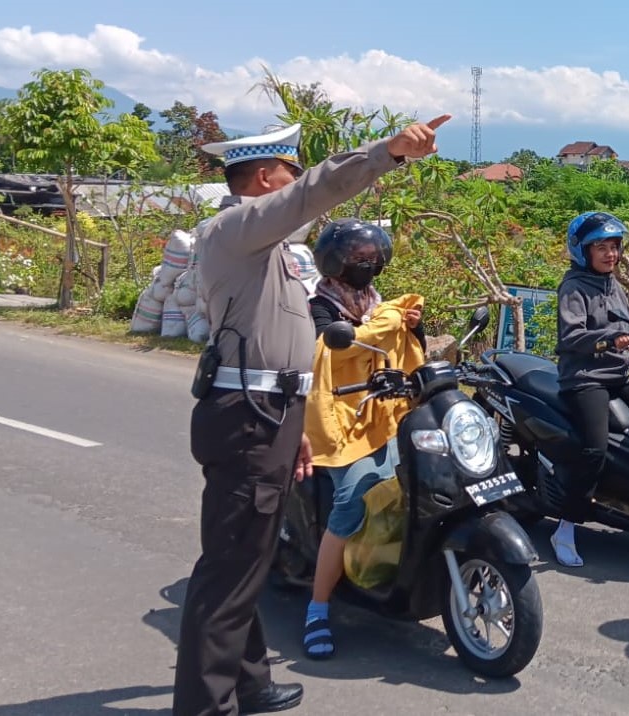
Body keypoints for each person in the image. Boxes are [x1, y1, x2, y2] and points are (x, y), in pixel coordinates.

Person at [175, 115, 449, 716]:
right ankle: (205, 705)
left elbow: (290, 349)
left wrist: (296, 426)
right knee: (229, 566)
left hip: (270, 413)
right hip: (248, 416)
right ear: (267, 177)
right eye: (290, 174)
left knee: (249, 557)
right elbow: (314, 192)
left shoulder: (263, 248)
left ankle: (249, 683)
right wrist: (387, 153)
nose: (296, 185)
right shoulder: (237, 227)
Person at [299, 217, 425, 660]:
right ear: (335, 264)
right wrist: (388, 324)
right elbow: (332, 352)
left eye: (373, 259)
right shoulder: (319, 308)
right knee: (352, 503)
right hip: (340, 421)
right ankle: (317, 608)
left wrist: (411, 326)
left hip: (384, 415)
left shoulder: (378, 306)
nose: (368, 266)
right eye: (358, 259)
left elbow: (402, 353)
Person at [551, 211, 629, 568]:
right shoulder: (574, 287)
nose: (610, 254)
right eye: (601, 247)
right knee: (594, 450)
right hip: (586, 378)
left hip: (618, 375)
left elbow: (628, 318)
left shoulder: (612, 283)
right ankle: (566, 526)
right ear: (582, 250)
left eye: (614, 247)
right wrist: (608, 339)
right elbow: (572, 336)